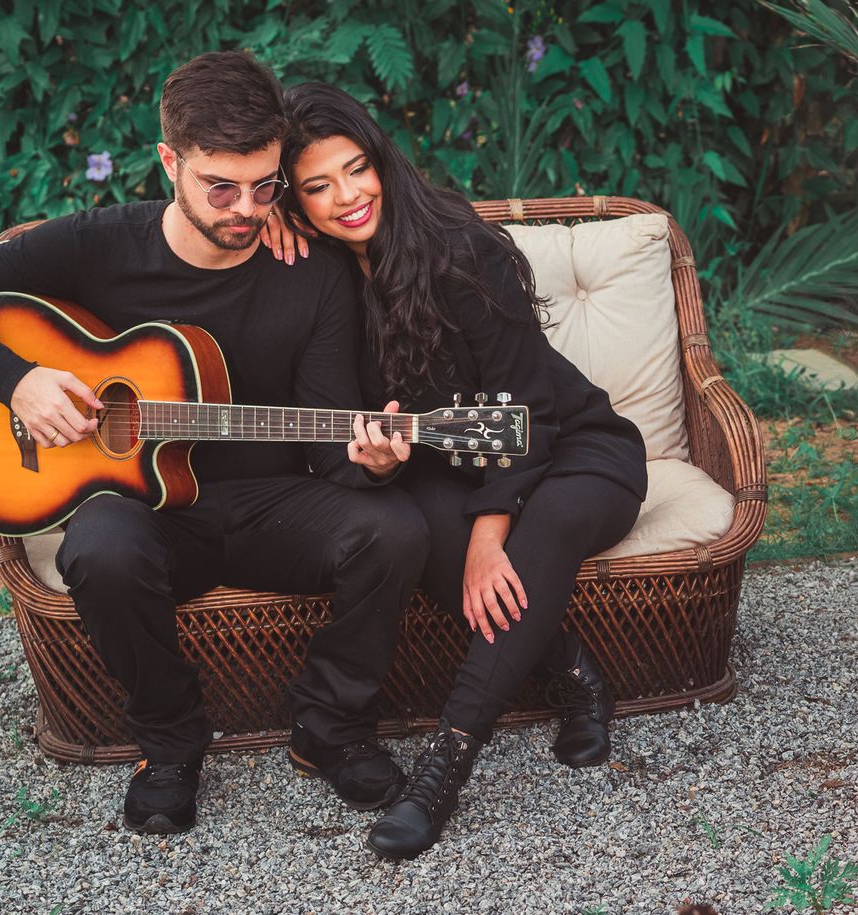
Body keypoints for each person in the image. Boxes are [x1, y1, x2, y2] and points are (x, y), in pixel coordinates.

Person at [0, 52, 429, 835]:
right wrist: (19, 381)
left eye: (266, 186)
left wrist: (369, 459)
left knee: (396, 529)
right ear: (169, 162)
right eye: (221, 187)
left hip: (274, 504)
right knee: (100, 549)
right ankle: (171, 743)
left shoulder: (311, 272)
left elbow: (327, 442)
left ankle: (331, 727)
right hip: (148, 511)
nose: (247, 209)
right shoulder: (99, 244)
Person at [266, 84, 648, 860]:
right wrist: (372, 461)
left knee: (545, 525)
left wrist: (490, 531)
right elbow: (345, 431)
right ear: (295, 204)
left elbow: (530, 404)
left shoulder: (463, 251)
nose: (348, 196)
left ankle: (444, 770)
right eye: (317, 186)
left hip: (573, 448)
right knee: (415, 524)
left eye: (356, 168)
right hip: (458, 470)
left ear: (381, 161)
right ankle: (571, 673)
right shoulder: (323, 281)